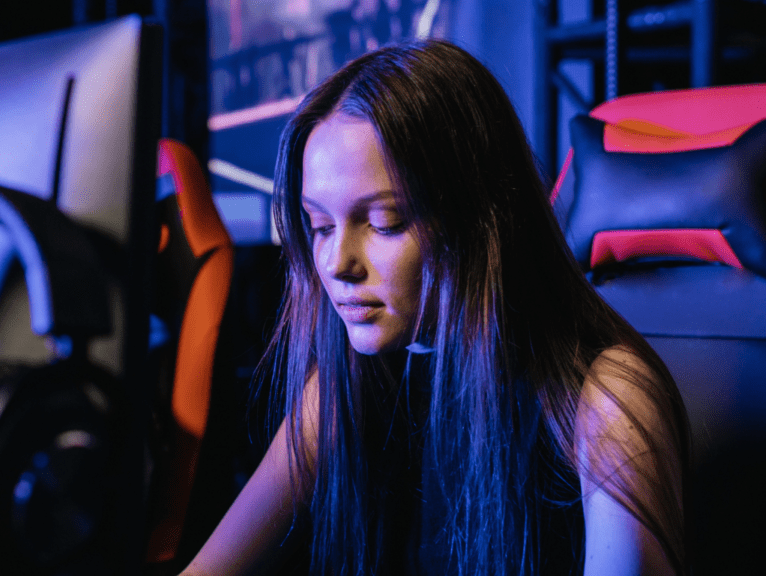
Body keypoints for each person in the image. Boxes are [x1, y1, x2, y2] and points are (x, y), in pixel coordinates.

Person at [180, 39, 689, 576]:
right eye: (320, 226)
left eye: (383, 223)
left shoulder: (607, 400)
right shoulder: (340, 391)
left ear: (477, 217)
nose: (335, 263)